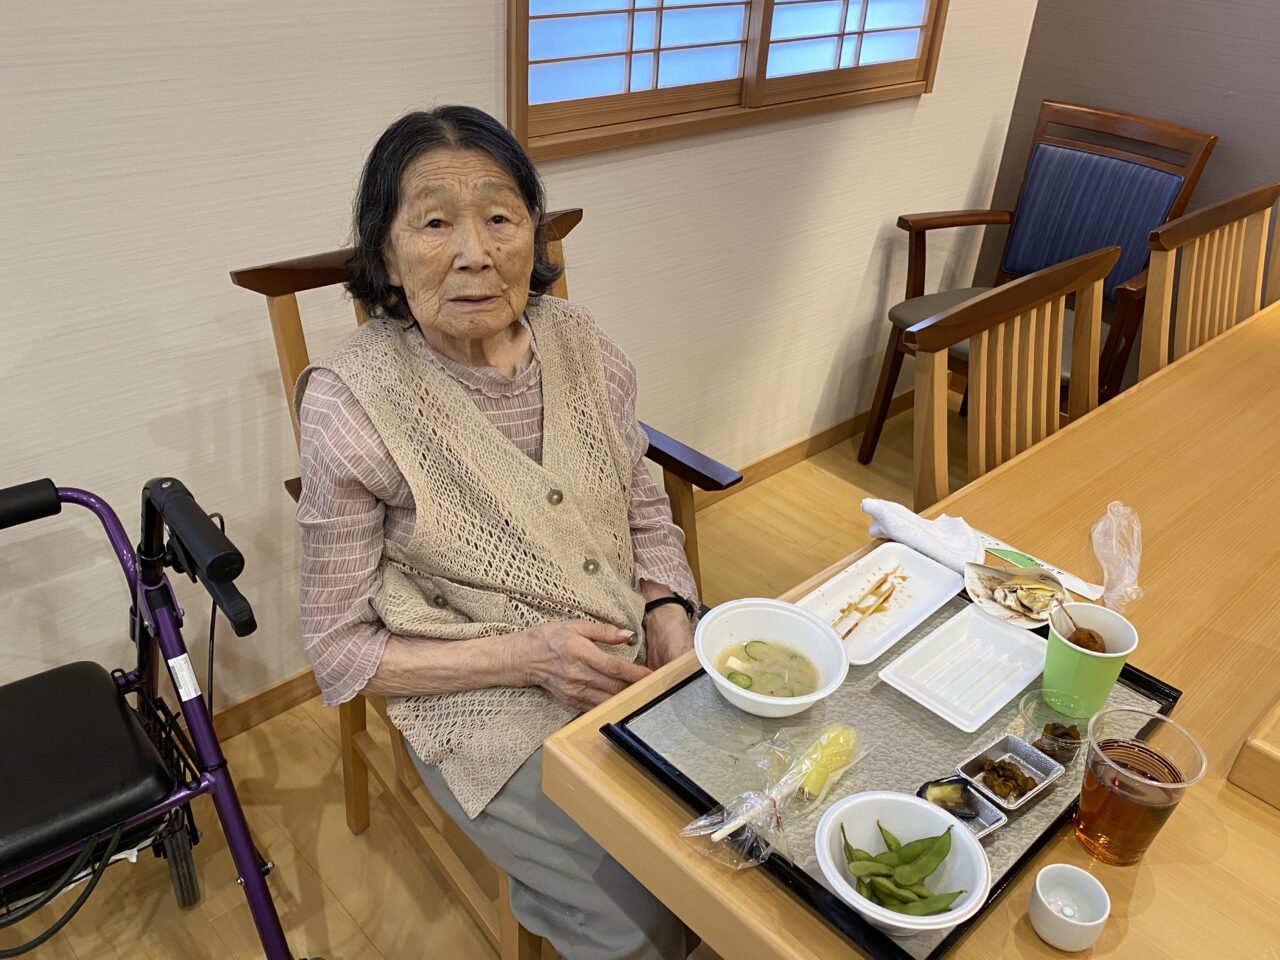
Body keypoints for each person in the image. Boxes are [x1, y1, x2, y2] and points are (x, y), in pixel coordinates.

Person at [295, 105, 698, 960]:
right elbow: (338, 651)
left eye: (500, 218)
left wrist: (669, 608)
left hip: (632, 647)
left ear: (533, 234)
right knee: (640, 926)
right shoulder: (349, 406)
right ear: (385, 254)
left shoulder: (586, 345)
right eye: (435, 222)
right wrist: (527, 657)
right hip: (480, 692)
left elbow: (642, 503)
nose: (474, 253)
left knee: (740, 841)